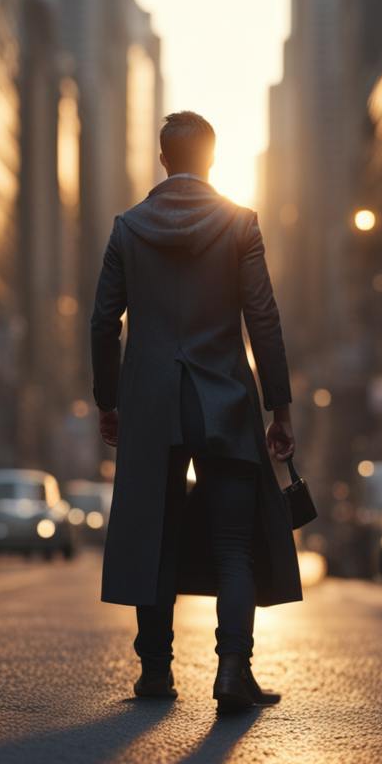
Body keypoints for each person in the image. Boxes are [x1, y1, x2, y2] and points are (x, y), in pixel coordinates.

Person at [90, 110, 301, 714]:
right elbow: (263, 317)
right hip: (227, 402)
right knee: (234, 544)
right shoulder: (240, 224)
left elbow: (105, 322)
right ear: (211, 159)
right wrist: (278, 408)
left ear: (163, 159)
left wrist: (110, 402)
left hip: (151, 406)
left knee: (152, 536)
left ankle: (155, 674)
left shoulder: (127, 230)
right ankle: (233, 670)